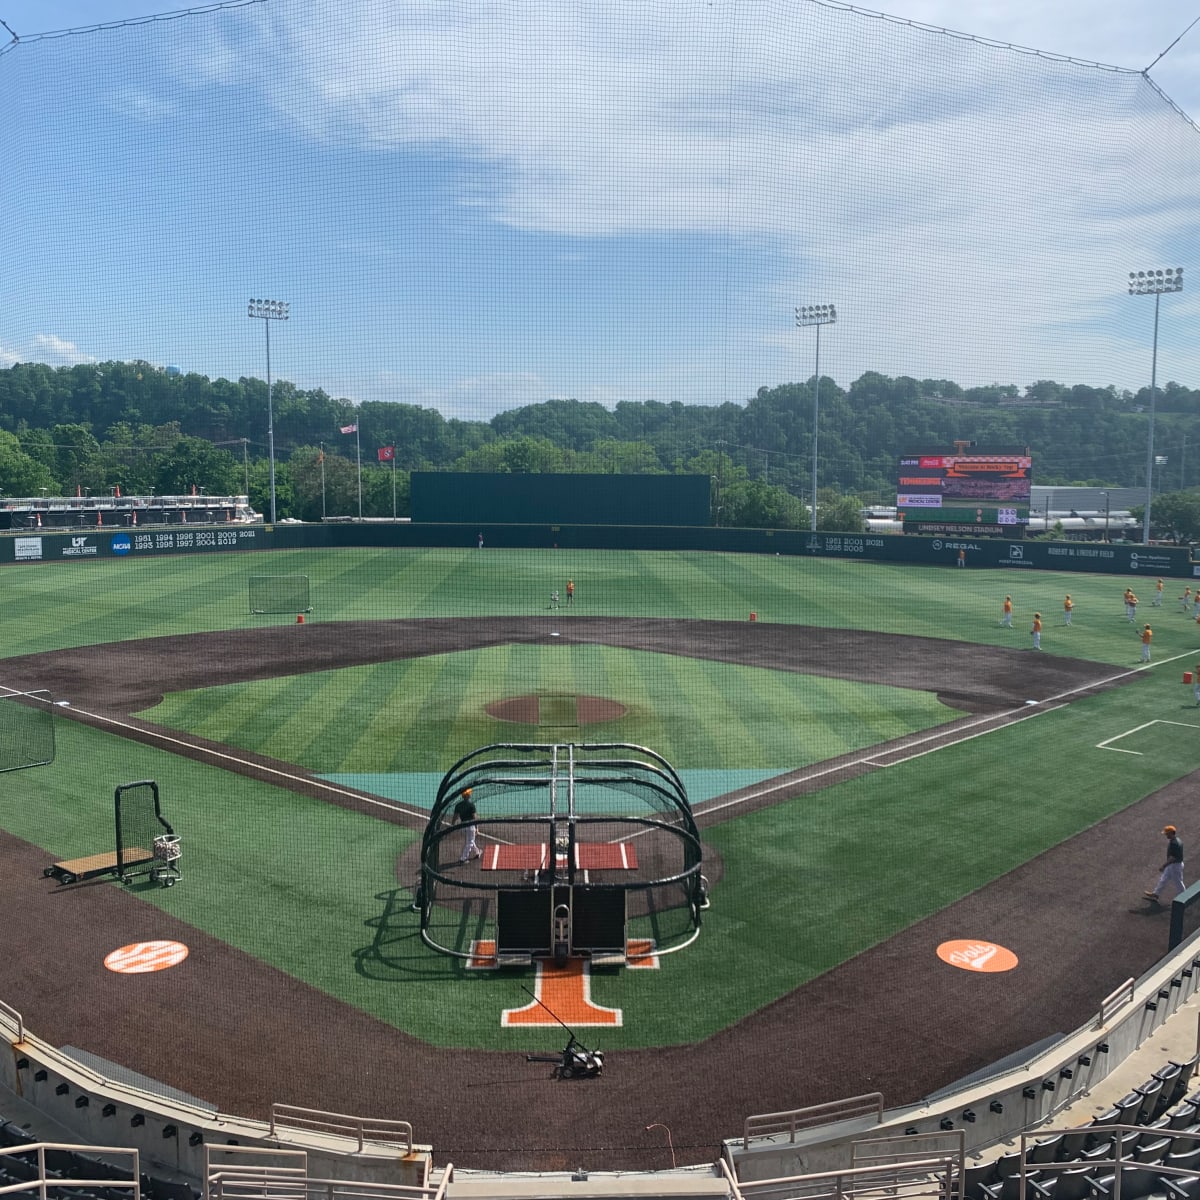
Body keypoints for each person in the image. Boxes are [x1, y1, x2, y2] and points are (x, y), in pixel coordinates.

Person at [1145, 825, 1184, 904]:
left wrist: (1164, 866)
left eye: (1167, 833)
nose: (1166, 835)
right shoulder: (1177, 840)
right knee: (1163, 879)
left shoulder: (1174, 843)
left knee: (1178, 883)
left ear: (1171, 833)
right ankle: (1156, 894)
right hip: (1173, 865)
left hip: (1175, 866)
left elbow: (1172, 858)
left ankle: (1185, 898)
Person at [454, 788, 480, 862]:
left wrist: (452, 824)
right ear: (468, 796)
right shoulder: (471, 805)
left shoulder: (458, 805)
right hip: (471, 826)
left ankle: (477, 852)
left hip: (463, 826)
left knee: (470, 840)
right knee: (470, 842)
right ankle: (463, 858)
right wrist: (477, 827)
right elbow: (475, 817)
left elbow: (455, 816)